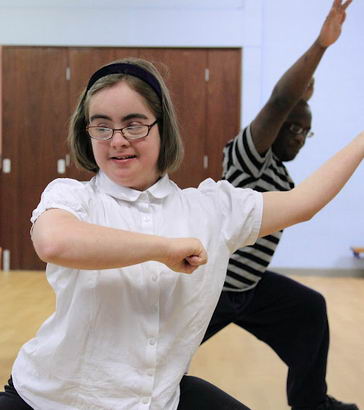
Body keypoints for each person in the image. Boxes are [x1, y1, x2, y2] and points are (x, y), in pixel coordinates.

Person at [1, 52, 363, 410]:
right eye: (102, 126)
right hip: (47, 400)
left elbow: (305, 202)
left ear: (163, 127)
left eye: (134, 124)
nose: (117, 140)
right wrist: (164, 249)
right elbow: (55, 242)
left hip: (156, 402)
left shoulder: (212, 208)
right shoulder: (71, 196)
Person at [202, 1, 358, 410]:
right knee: (158, 359)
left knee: (308, 309)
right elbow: (278, 100)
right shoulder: (246, 159)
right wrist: (321, 47)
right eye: (293, 127)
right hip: (209, 290)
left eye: (306, 132)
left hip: (249, 290)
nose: (300, 137)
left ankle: (312, 404)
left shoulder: (283, 177)